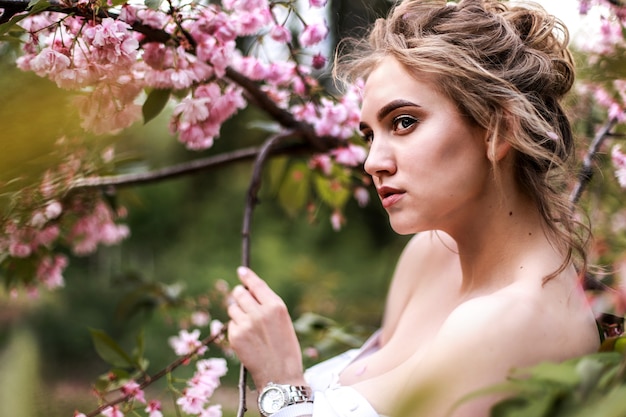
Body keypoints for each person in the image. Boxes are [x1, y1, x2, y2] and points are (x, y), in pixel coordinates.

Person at [226, 0, 601, 416]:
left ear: (499, 128)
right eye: (369, 134)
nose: (372, 162)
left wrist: (282, 383)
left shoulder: (516, 319)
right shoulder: (432, 252)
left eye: (404, 122)